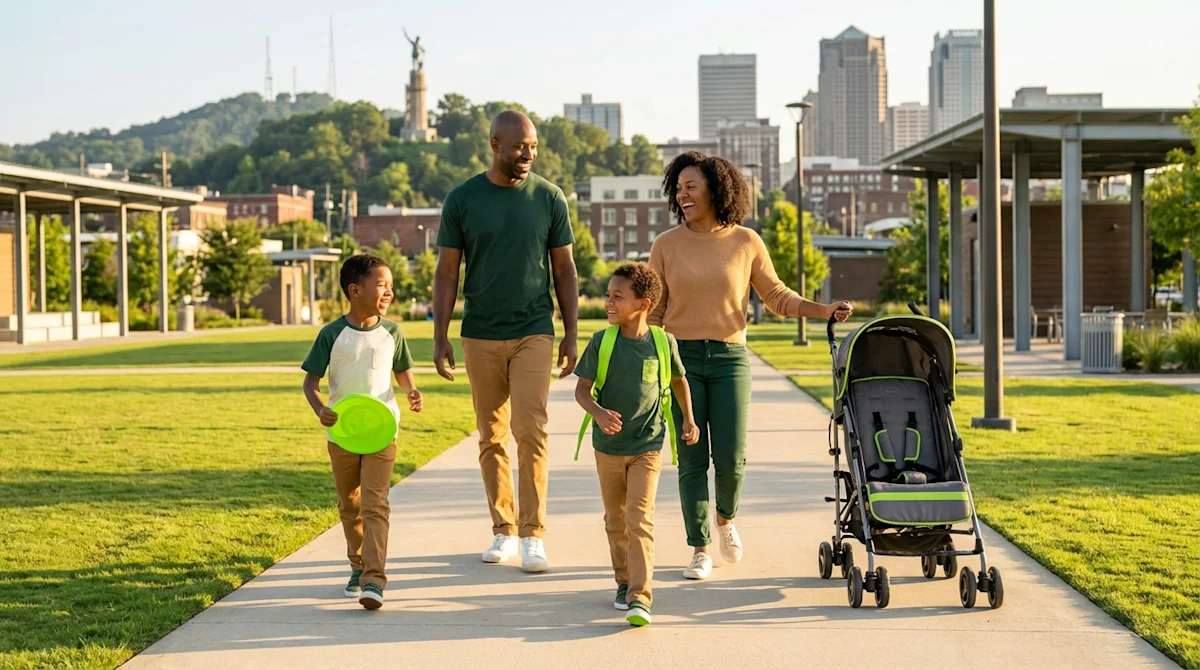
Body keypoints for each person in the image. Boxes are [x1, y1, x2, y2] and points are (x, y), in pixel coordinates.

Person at [648, 152, 852, 580]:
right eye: (678, 188)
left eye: (691, 187)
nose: (682, 195)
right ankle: (699, 548)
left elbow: (777, 297)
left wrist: (824, 310)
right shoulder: (666, 244)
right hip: (680, 361)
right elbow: (654, 309)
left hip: (729, 359)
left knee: (731, 456)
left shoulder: (745, 241)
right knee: (690, 458)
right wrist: (644, 357)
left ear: (716, 190)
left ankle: (725, 519)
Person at [432, 110, 579, 573]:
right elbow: (447, 271)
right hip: (480, 333)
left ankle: (534, 534)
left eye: (533, 147)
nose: (528, 155)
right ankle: (504, 529)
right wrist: (440, 337)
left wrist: (571, 331)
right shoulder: (462, 199)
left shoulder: (550, 198)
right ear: (495, 144)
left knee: (531, 430)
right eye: (519, 147)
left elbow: (564, 270)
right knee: (490, 435)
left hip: (534, 329)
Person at [574, 263, 700, 627]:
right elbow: (582, 390)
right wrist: (598, 413)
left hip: (648, 445)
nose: (608, 302)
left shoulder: (663, 342)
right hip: (608, 447)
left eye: (617, 296)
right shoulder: (602, 341)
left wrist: (688, 420)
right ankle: (623, 581)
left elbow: (679, 382)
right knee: (616, 520)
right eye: (608, 295)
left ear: (643, 304)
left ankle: (640, 597)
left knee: (639, 518)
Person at [301, 253, 424, 610]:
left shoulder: (393, 331)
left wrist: (411, 390)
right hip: (342, 433)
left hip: (383, 429)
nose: (389, 291)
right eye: (381, 284)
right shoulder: (332, 334)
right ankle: (357, 564)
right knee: (350, 504)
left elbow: (401, 369)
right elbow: (311, 382)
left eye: (390, 285)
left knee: (375, 503)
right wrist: (320, 408)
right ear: (355, 290)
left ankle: (374, 579)